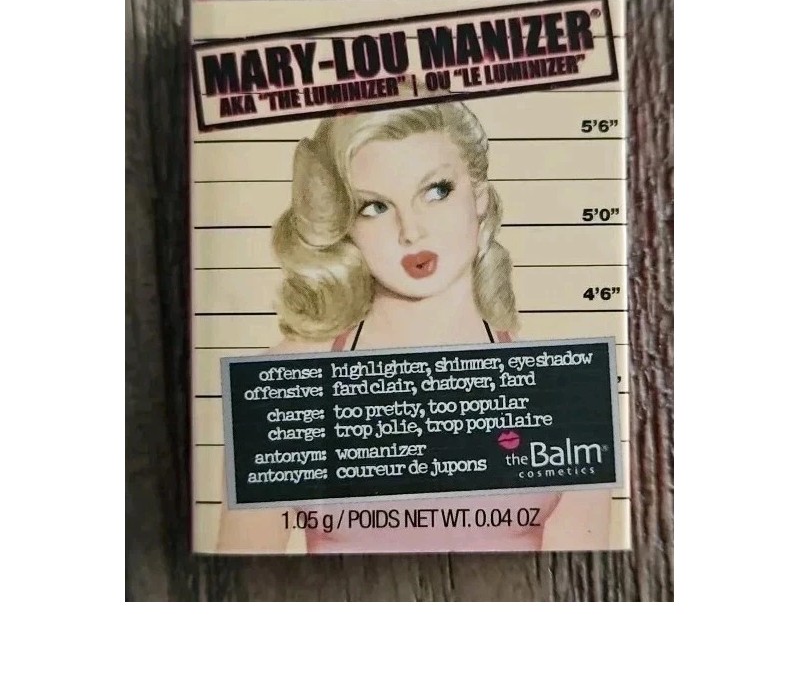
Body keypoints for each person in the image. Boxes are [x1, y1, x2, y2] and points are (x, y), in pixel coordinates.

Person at [218, 101, 611, 553]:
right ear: (343, 223)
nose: (411, 231)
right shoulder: (282, 387)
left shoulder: (566, 390)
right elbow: (241, 584)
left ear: (479, 195)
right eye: (374, 207)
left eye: (437, 191)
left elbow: (579, 586)